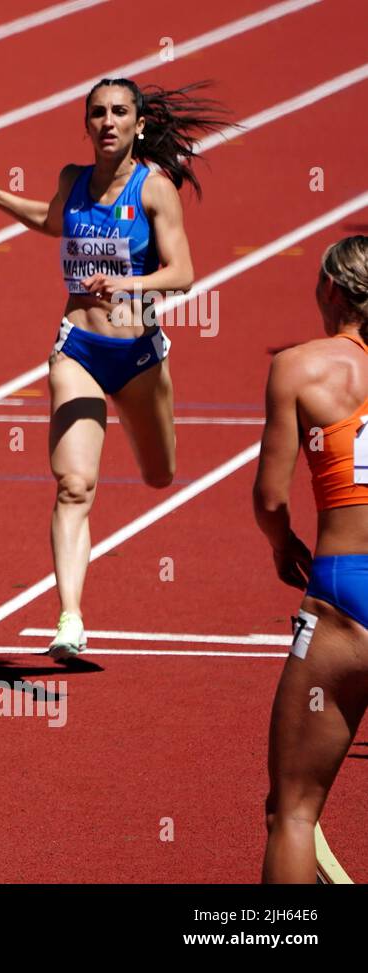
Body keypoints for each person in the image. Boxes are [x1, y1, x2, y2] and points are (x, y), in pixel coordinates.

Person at [0, 78, 229, 661]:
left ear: (139, 124)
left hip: (139, 354)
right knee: (74, 486)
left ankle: (144, 442)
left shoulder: (155, 190)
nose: (107, 122)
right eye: (97, 113)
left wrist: (127, 283)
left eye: (119, 113)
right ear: (86, 124)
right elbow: (50, 221)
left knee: (159, 475)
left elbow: (183, 274)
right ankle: (69, 617)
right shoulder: (72, 182)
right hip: (78, 349)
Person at [253, 236, 368, 883]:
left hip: (344, 594)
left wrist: (282, 545)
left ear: (332, 290)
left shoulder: (299, 366)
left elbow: (270, 497)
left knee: (293, 812)